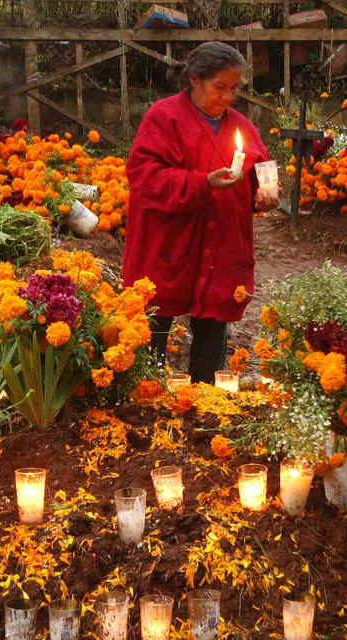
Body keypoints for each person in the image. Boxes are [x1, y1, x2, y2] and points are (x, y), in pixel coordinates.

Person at [122, 41, 278, 384]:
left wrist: (265, 193)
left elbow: (262, 168)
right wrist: (200, 183)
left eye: (234, 88)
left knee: (213, 315)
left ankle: (206, 396)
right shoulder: (164, 117)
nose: (227, 97)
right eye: (219, 87)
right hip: (170, 239)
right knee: (154, 315)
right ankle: (144, 389)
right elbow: (144, 176)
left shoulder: (240, 126)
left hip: (220, 241)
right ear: (194, 79)